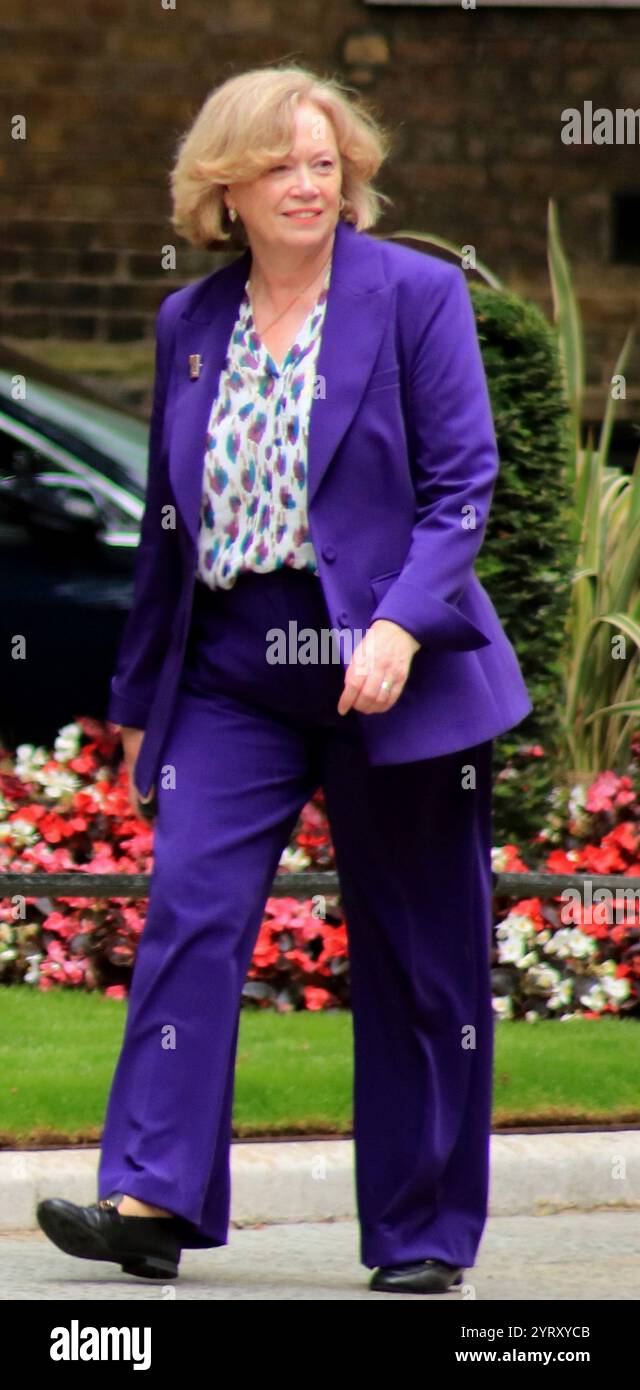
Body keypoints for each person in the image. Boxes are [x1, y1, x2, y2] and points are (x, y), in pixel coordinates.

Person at [36, 63, 532, 1294]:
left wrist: (402, 627)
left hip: (390, 663)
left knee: (421, 956)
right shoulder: (187, 324)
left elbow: (460, 487)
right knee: (191, 917)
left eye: (325, 163)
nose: (306, 184)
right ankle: (148, 1199)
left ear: (350, 178)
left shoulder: (415, 295)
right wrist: (141, 702)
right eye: (279, 164)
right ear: (225, 186)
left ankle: (419, 1235)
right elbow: (168, 525)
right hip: (234, 664)